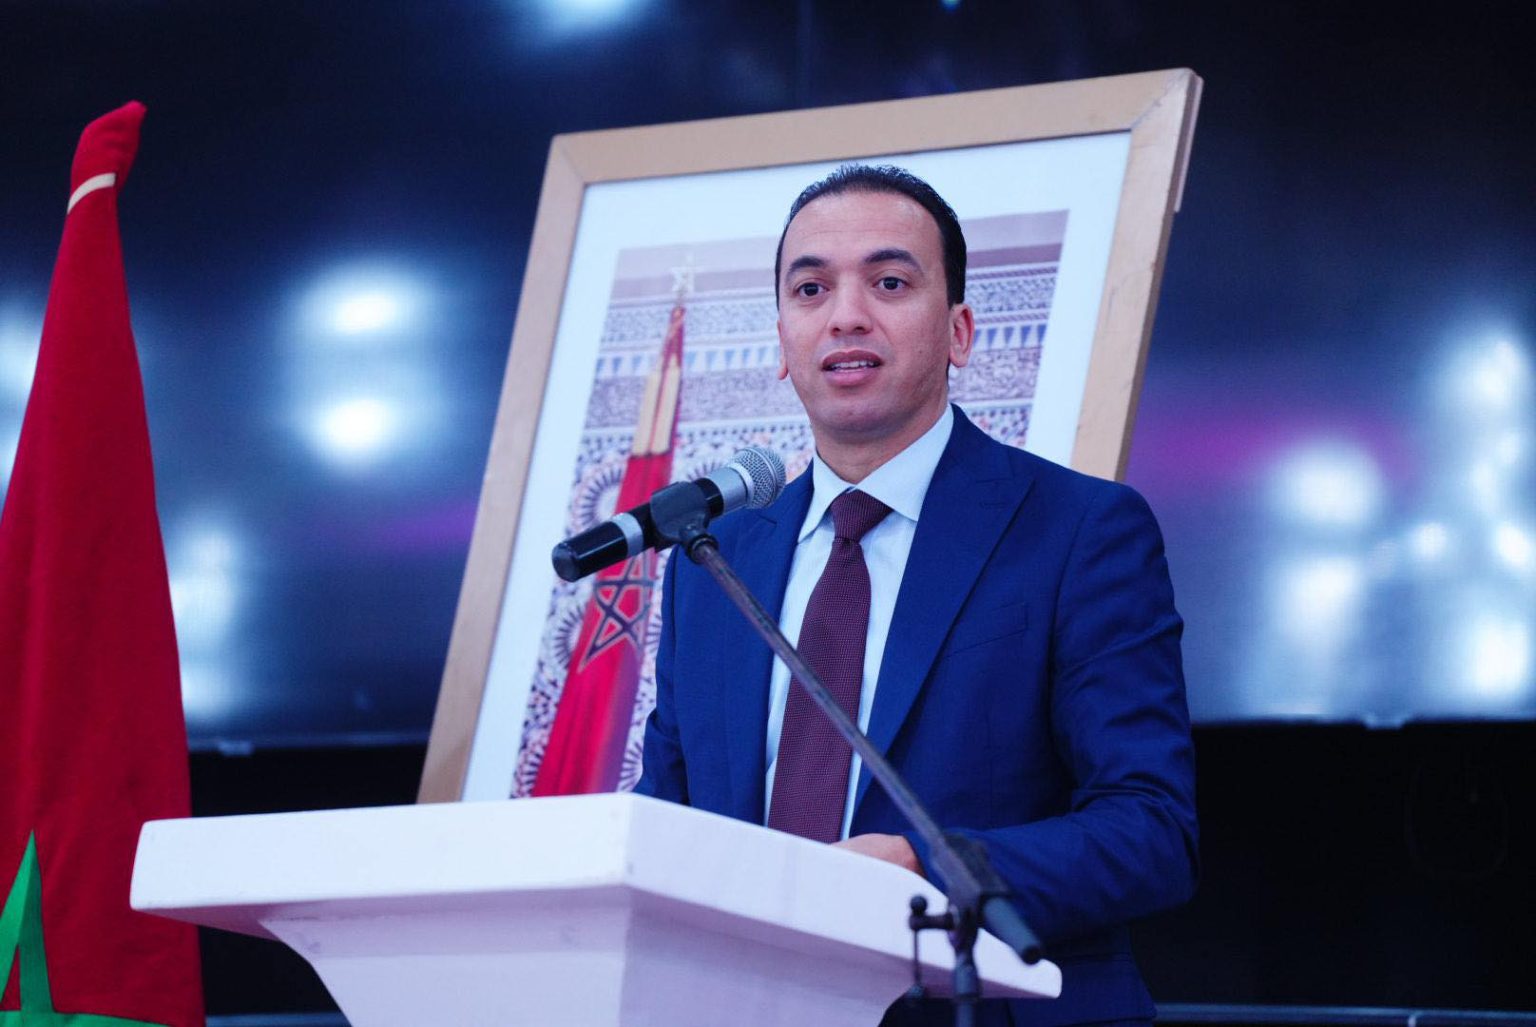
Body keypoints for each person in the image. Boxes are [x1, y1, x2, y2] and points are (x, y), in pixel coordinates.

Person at [635, 164, 1198, 1027]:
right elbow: (669, 820)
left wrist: (927, 871)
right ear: (782, 342)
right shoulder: (716, 561)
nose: (845, 315)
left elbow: (1151, 830)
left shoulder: (1079, 530)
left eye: (890, 283)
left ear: (959, 331)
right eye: (811, 289)